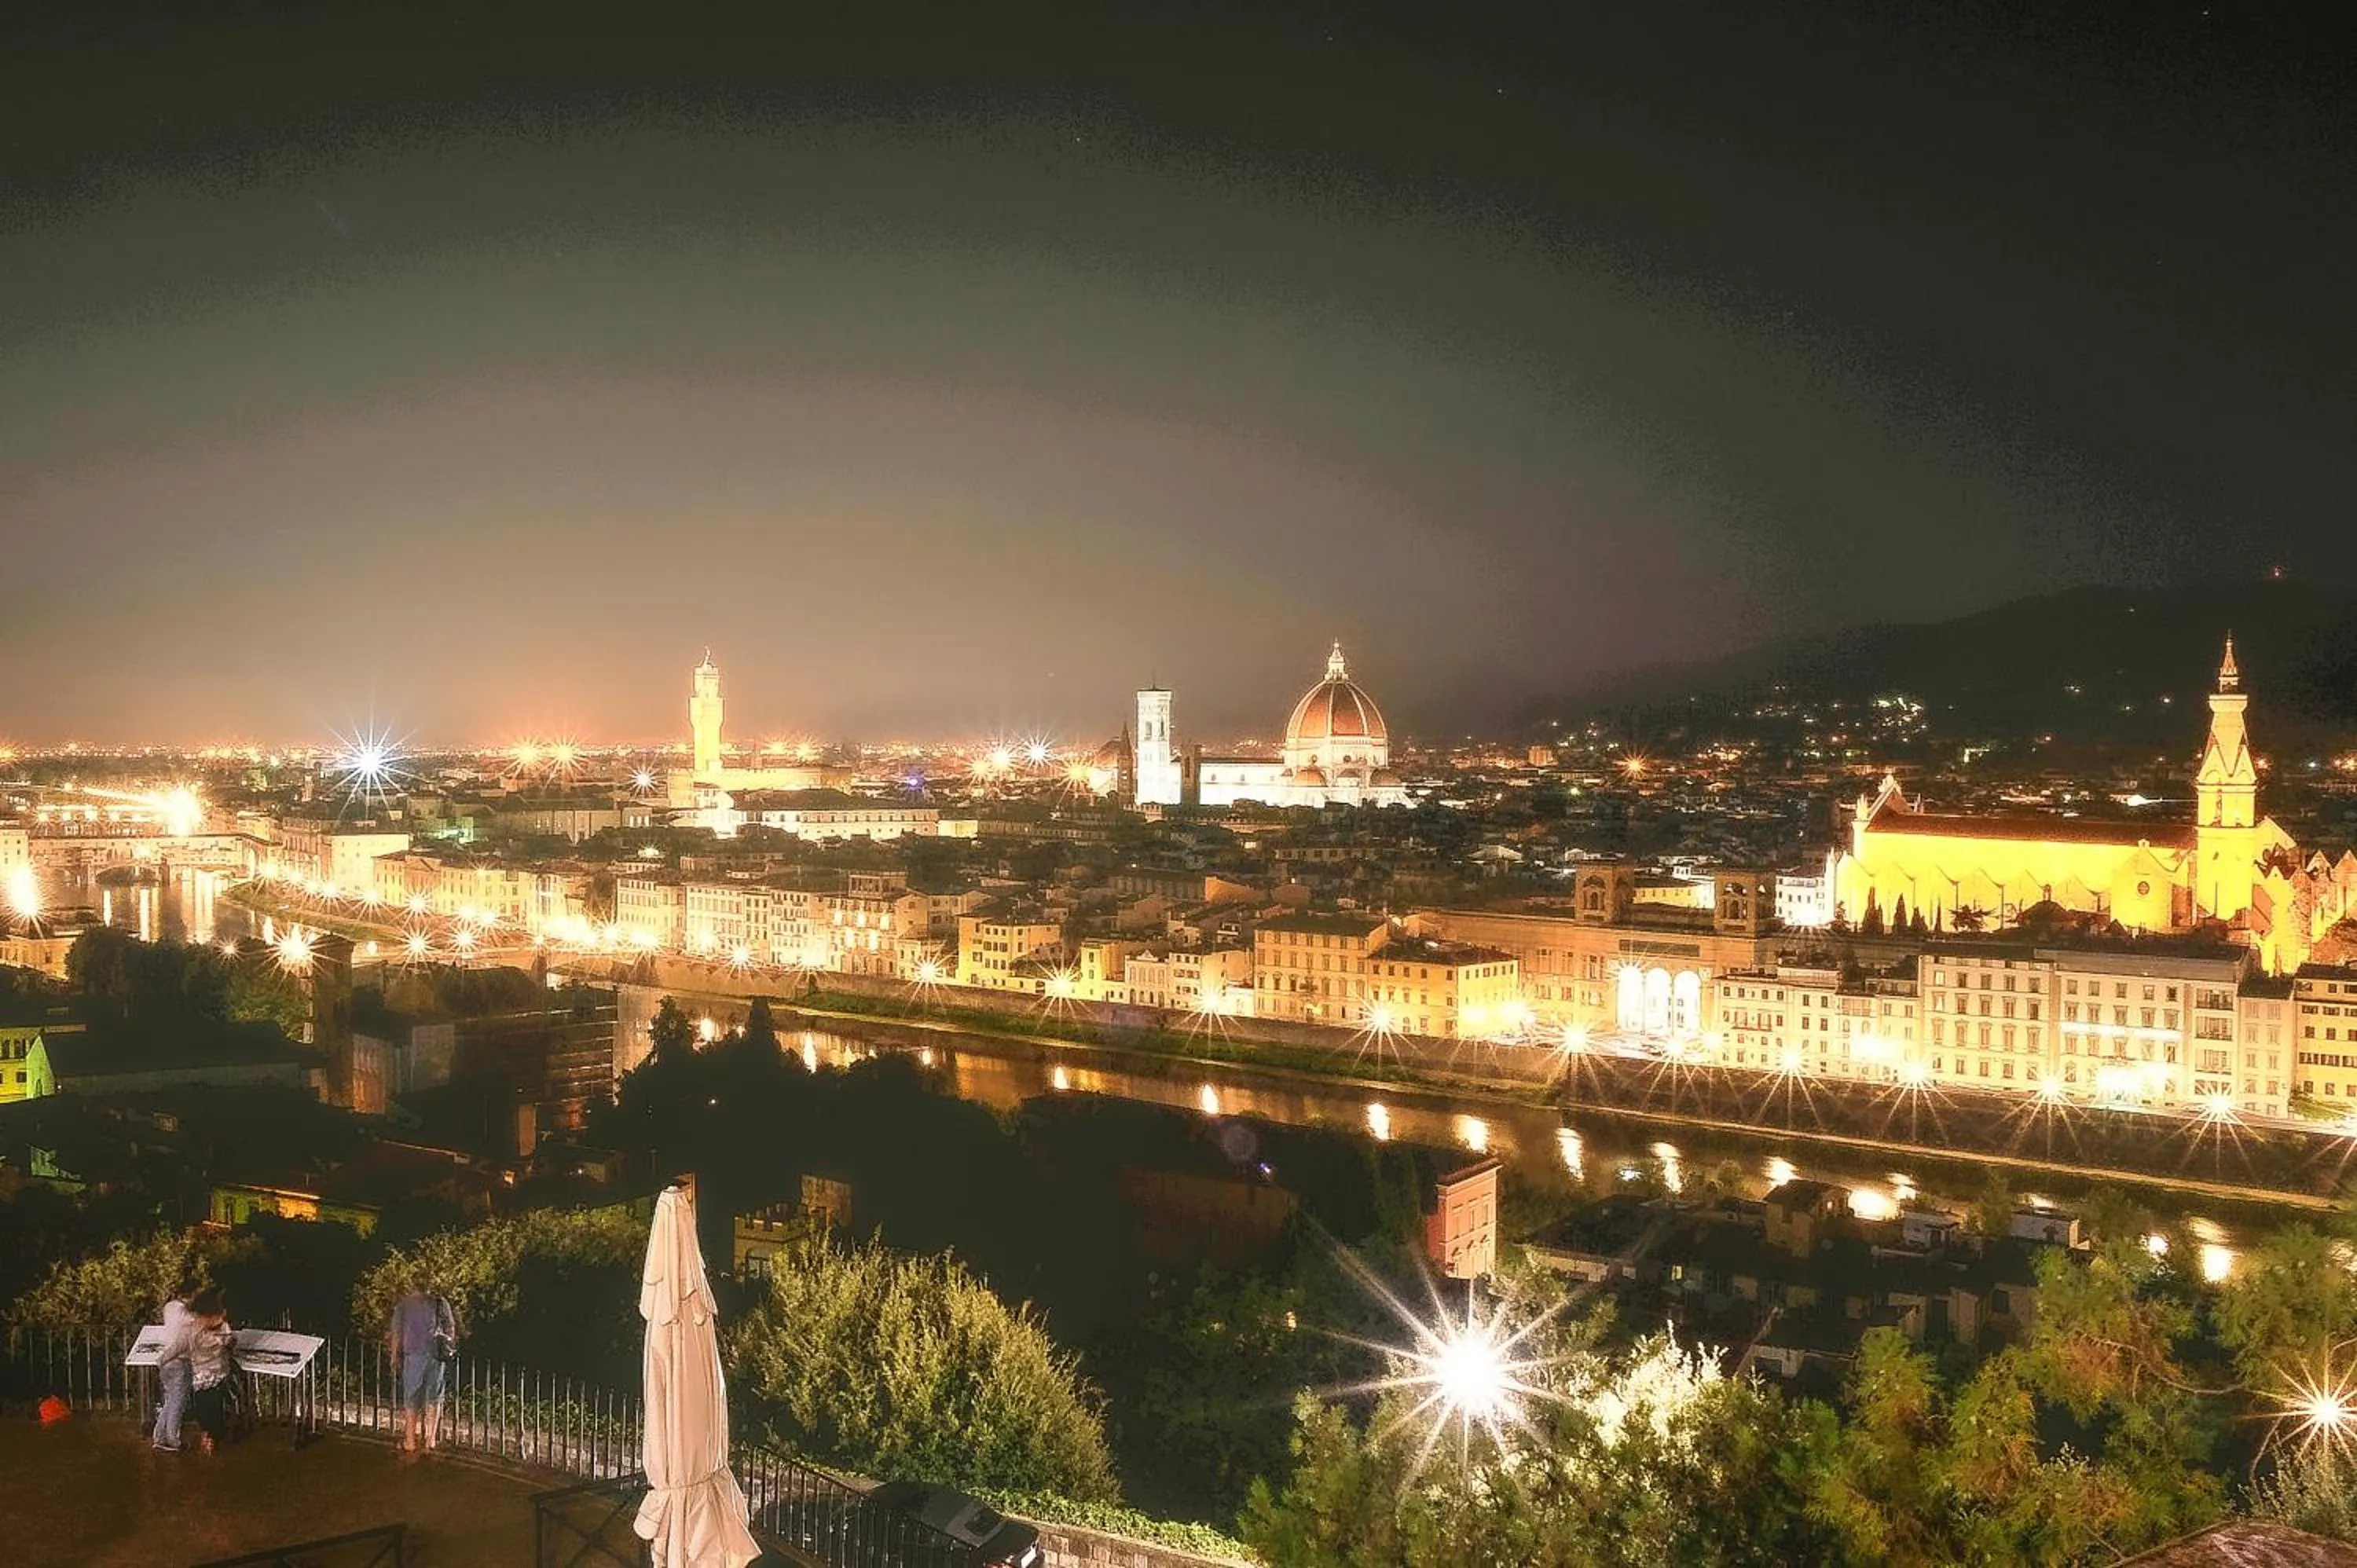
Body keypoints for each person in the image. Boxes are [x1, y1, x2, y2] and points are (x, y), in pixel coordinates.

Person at [387, 1278, 457, 1453]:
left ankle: (410, 1441)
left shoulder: (403, 1306)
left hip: (414, 1357)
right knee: (434, 1398)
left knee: (412, 1399)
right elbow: (451, 1329)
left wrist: (394, 1356)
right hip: (436, 1356)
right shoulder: (441, 1303)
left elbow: (397, 1333)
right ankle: (431, 1440)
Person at [180, 1290, 236, 1455]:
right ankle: (211, 1435)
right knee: (209, 1406)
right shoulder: (203, 1326)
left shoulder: (199, 1326)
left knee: (208, 1405)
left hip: (208, 1372)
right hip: (207, 1372)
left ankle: (210, 1435)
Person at [150, 1280, 198, 1452]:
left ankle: (159, 1435)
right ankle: (172, 1438)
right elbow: (197, 1321)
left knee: (169, 1400)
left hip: (166, 1360)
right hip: (179, 1359)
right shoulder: (183, 1311)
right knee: (178, 1401)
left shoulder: (168, 1307)